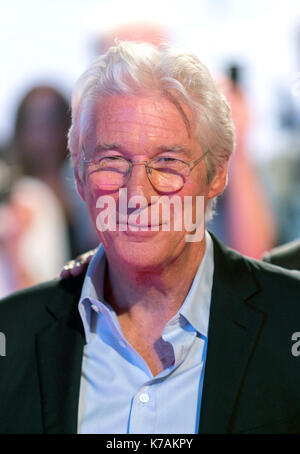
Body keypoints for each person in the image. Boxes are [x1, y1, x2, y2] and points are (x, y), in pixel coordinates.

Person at [1, 41, 300, 435]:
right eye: (111, 161)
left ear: (216, 175)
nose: (137, 194)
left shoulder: (290, 317)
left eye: (168, 163)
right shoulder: (13, 334)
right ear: (79, 176)